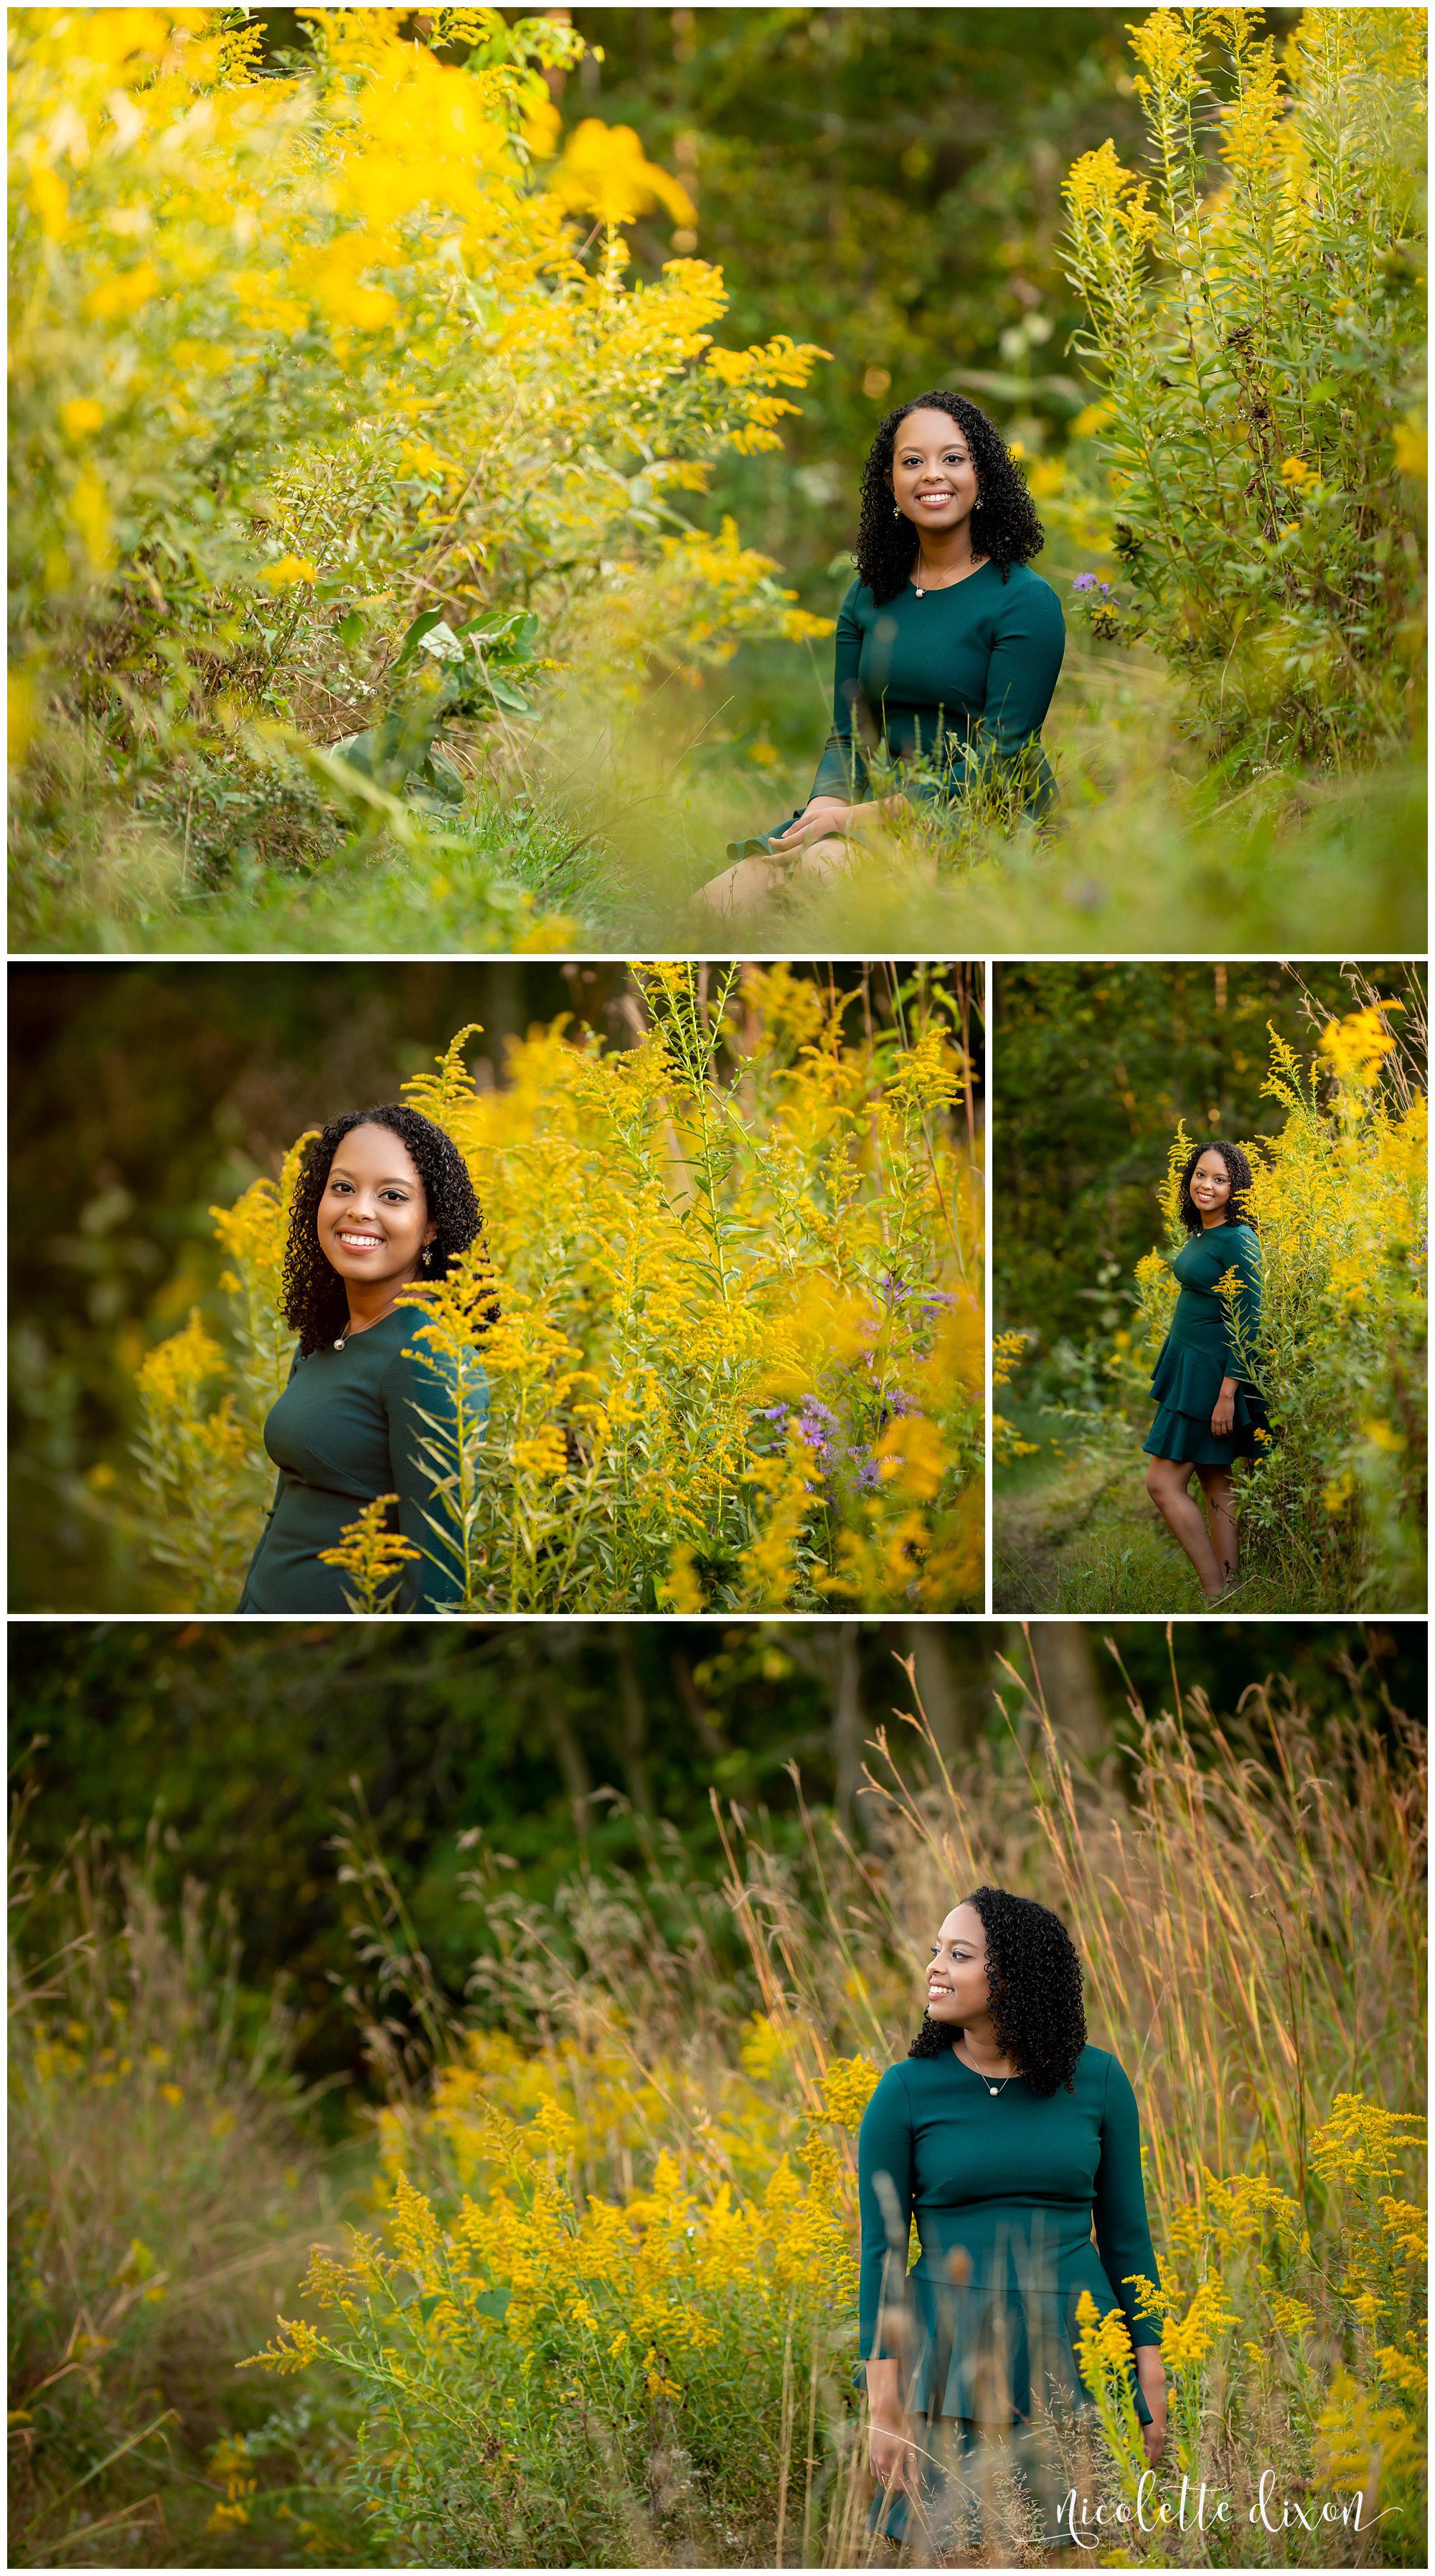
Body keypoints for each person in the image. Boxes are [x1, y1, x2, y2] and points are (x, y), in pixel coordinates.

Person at [857, 1887, 1166, 2558]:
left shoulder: (1100, 2080)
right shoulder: (904, 2091)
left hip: (1083, 2355)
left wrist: (1152, 2366)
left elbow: (1127, 2239)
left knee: (1076, 2550)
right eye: (936, 1950)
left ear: (1016, 1975)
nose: (935, 1966)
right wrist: (884, 2406)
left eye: (958, 1954)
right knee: (956, 2552)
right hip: (946, 2364)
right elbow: (879, 2255)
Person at [695, 391, 1065, 918]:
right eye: (912, 461)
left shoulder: (1026, 602)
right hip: (869, 813)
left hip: (984, 819)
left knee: (825, 868)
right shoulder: (868, 595)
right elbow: (851, 736)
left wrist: (851, 821)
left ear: (983, 477)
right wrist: (824, 808)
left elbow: (998, 765)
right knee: (712, 906)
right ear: (891, 483)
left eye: (953, 458)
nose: (932, 474)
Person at [237, 1105, 491, 1613]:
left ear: (432, 1226)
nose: (358, 1209)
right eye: (343, 1187)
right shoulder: (326, 1335)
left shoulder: (428, 1356)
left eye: (392, 1196)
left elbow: (438, 1578)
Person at [1143, 1141, 1266, 1603]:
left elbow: (1251, 1319)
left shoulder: (1238, 1238)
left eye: (1219, 1179)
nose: (1207, 1185)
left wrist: (1227, 1393)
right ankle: (1232, 1590)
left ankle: (1215, 1590)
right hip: (1191, 1366)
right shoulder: (1203, 1233)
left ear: (1236, 1188)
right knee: (1216, 1478)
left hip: (1212, 1377)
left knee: (1162, 1483)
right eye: (1200, 1174)